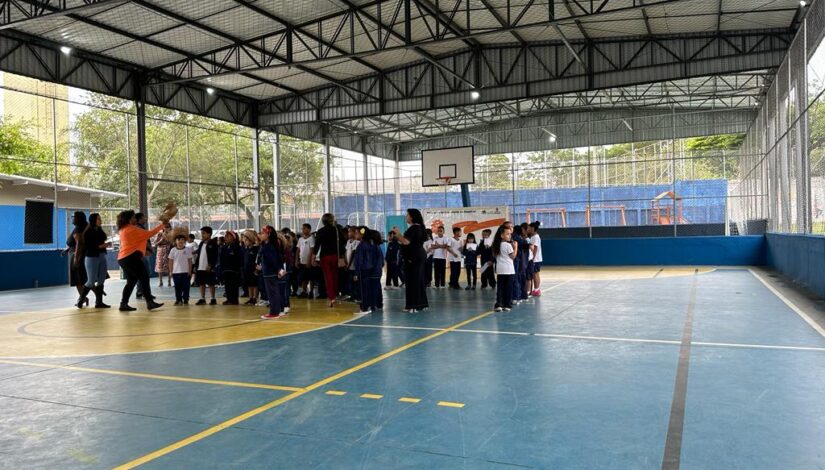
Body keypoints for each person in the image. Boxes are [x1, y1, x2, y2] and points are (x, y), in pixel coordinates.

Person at [116, 210, 165, 311]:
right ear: (129, 219)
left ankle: (123, 304)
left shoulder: (123, 229)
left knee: (131, 281)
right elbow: (150, 234)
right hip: (131, 257)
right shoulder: (132, 229)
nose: (135, 219)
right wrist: (163, 224)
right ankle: (149, 302)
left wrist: (144, 250)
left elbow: (137, 241)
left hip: (123, 258)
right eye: (134, 217)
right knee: (144, 277)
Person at [395, 208, 429, 312]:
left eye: (407, 215)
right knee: (418, 280)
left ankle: (413, 305)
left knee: (412, 281)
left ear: (412, 217)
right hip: (418, 255)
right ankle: (422, 304)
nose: (406, 217)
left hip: (413, 257)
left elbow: (405, 241)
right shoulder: (420, 228)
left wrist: (398, 233)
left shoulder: (414, 228)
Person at [314, 213, 346, 307]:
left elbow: (317, 245)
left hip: (325, 257)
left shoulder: (320, 231)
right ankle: (335, 295)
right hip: (336, 256)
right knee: (335, 276)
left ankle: (331, 297)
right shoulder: (337, 230)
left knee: (328, 277)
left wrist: (313, 256)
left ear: (323, 221)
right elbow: (343, 241)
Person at [79, 213, 110, 308]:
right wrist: (101, 246)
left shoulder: (99, 230)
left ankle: (99, 302)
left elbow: (101, 240)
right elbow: (89, 246)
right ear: (93, 220)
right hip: (92, 257)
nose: (100, 221)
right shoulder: (88, 232)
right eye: (98, 219)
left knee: (101, 279)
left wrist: (104, 245)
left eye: (100, 219)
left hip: (101, 256)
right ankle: (81, 300)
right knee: (91, 281)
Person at [354, 227, 383, 314]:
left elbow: (360, 260)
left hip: (364, 270)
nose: (355, 235)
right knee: (371, 289)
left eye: (356, 233)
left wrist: (357, 272)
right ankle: (372, 305)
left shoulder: (362, 245)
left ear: (362, 234)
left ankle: (364, 307)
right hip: (370, 270)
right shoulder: (371, 245)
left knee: (364, 290)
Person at [259, 225, 286, 319]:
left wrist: (277, 270)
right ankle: (277, 310)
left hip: (270, 273)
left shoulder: (268, 247)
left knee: (272, 293)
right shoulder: (269, 245)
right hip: (269, 272)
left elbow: (273, 260)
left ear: (268, 234)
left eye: (263, 233)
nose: (260, 235)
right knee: (273, 292)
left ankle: (274, 312)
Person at [63, 211, 89, 306]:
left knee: (79, 279)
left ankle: (83, 298)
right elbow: (76, 243)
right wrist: (67, 250)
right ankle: (84, 298)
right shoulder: (85, 227)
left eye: (73, 217)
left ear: (78, 218)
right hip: (80, 254)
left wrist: (76, 258)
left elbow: (79, 244)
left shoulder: (78, 229)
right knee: (86, 279)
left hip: (77, 255)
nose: (72, 218)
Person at [492, 224, 517, 312]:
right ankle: (507, 305)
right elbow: (513, 256)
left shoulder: (496, 245)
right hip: (508, 270)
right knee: (508, 288)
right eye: (507, 234)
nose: (510, 236)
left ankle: (499, 304)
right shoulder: (507, 245)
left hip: (500, 269)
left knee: (500, 288)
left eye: (510, 234)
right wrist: (515, 247)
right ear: (502, 235)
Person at [193, 226, 219, 305]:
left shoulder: (213, 243)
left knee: (211, 283)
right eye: (202, 233)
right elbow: (199, 255)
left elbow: (215, 256)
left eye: (204, 233)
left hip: (208, 267)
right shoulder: (201, 243)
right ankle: (202, 298)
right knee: (201, 283)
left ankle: (213, 298)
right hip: (200, 266)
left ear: (209, 234)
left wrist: (211, 265)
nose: (202, 235)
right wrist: (196, 265)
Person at [168, 234, 193, 305]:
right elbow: (170, 261)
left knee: (186, 286)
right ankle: (178, 300)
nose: (180, 241)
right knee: (177, 287)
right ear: (175, 241)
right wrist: (171, 271)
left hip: (186, 272)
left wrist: (190, 271)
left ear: (185, 241)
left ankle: (186, 299)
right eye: (178, 240)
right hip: (176, 273)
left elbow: (190, 261)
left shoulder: (187, 249)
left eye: (182, 239)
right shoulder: (173, 250)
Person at [220, 231, 243, 305]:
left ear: (233, 238)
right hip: (226, 270)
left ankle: (234, 300)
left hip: (234, 270)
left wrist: (238, 269)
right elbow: (221, 259)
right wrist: (222, 269)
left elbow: (239, 259)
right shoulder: (224, 247)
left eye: (227, 236)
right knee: (227, 285)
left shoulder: (237, 247)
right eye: (225, 236)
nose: (225, 237)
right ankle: (229, 299)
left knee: (233, 285)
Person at [296, 224, 316, 298]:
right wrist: (296, 260)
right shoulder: (300, 239)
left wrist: (309, 260)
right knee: (303, 278)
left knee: (311, 277)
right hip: (302, 261)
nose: (303, 230)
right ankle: (304, 291)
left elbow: (312, 250)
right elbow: (298, 250)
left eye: (304, 228)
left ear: (309, 229)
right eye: (302, 228)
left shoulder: (312, 238)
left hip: (310, 262)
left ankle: (311, 291)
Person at [241, 230, 259, 305]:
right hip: (247, 269)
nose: (245, 242)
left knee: (254, 284)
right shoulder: (246, 249)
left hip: (253, 269)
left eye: (246, 240)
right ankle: (250, 297)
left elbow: (257, 260)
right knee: (249, 284)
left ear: (251, 240)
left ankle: (255, 297)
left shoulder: (255, 249)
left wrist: (256, 269)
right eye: (244, 240)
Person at [513, 224, 530, 303]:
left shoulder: (517, 238)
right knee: (521, 278)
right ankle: (523, 295)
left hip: (520, 262)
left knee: (518, 279)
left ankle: (518, 296)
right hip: (523, 262)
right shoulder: (522, 239)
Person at [527, 221, 543, 296]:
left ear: (533, 228)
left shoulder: (535, 237)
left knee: (535, 274)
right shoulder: (533, 236)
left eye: (529, 228)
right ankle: (537, 289)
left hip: (535, 259)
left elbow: (535, 248)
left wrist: (532, 259)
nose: (528, 229)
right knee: (536, 273)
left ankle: (536, 289)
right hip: (536, 259)